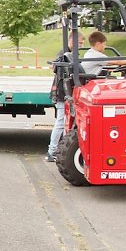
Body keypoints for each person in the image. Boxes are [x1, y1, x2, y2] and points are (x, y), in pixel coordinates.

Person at [46, 32, 84, 162]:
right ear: (71, 41)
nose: (81, 46)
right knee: (61, 123)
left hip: (66, 92)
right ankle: (52, 151)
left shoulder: (71, 54)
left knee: (65, 123)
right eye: (79, 43)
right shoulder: (64, 54)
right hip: (62, 92)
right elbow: (54, 66)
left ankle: (59, 149)